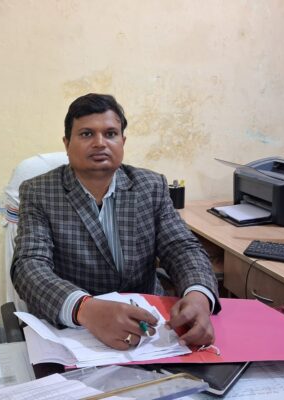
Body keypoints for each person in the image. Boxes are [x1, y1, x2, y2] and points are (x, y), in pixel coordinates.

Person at [11, 93, 220, 350]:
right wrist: (84, 308)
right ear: (67, 143)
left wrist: (198, 294)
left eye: (110, 134)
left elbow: (181, 247)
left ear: (123, 141)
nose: (100, 143)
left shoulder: (150, 186)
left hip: (149, 326)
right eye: (86, 134)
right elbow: (29, 265)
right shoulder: (39, 192)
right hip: (77, 330)